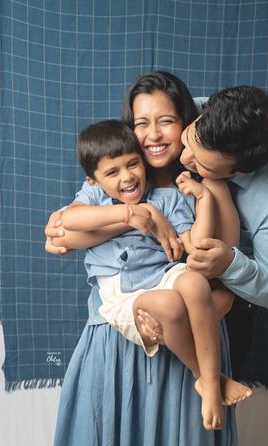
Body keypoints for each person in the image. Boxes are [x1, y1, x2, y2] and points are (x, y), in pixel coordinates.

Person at [37, 72, 245, 446]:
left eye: (165, 120)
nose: (152, 135)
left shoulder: (200, 186)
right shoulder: (109, 182)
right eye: (141, 122)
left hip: (187, 341)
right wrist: (137, 215)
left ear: (186, 123)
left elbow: (223, 273)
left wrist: (181, 312)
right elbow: (62, 232)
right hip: (115, 346)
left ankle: (209, 381)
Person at [62, 119, 251, 429]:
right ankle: (207, 377)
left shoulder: (168, 198)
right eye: (112, 172)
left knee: (195, 283)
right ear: (93, 181)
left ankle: (208, 383)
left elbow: (194, 245)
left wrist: (203, 199)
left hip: (162, 275)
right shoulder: (95, 198)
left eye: (133, 164)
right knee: (169, 305)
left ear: (143, 161)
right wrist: (131, 213)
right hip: (123, 293)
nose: (127, 177)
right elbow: (68, 220)